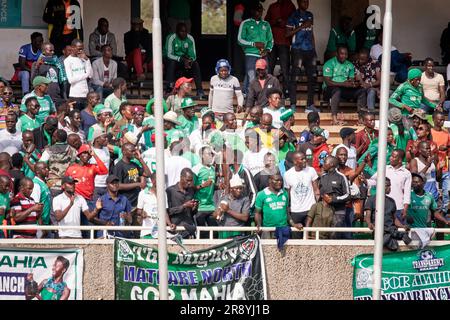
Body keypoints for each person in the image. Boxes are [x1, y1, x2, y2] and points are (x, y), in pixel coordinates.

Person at [286, 0, 318, 112]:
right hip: (297, 49)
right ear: (298, 2)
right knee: (294, 77)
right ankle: (293, 104)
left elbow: (311, 32)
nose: (306, 3)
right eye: (304, 1)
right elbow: (287, 33)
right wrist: (302, 26)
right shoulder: (293, 16)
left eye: (307, 1)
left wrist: (314, 49)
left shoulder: (310, 15)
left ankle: (310, 105)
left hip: (309, 50)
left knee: (312, 77)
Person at [364, 178, 412, 251]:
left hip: (390, 229)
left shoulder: (392, 201)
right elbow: (367, 216)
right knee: (388, 239)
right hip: (379, 230)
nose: (390, 188)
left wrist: (403, 226)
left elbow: (394, 219)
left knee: (389, 236)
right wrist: (369, 223)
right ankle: (399, 236)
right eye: (388, 185)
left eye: (390, 185)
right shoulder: (371, 199)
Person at [323, 46, 367, 126]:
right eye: (342, 54)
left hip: (344, 89)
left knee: (361, 91)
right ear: (337, 54)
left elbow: (351, 80)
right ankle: (334, 119)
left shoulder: (349, 65)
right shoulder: (329, 63)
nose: (344, 56)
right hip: (329, 90)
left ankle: (361, 119)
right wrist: (343, 84)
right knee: (337, 90)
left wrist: (354, 84)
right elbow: (328, 82)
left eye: (346, 54)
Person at [238, 2, 273, 94]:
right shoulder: (245, 23)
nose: (260, 12)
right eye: (258, 11)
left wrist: (267, 50)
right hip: (250, 54)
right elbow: (240, 40)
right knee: (251, 76)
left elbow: (271, 40)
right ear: (252, 11)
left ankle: (246, 93)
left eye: (261, 10)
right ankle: (253, 96)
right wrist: (253, 44)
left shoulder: (266, 24)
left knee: (263, 76)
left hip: (263, 55)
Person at [164, 23, 205, 99]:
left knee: (195, 64)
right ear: (177, 32)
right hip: (174, 60)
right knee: (171, 63)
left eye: (185, 31)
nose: (184, 33)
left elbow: (193, 55)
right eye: (181, 31)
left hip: (185, 60)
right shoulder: (172, 37)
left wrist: (189, 61)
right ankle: (168, 89)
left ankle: (200, 90)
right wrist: (182, 59)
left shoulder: (190, 38)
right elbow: (169, 54)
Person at [369, 149, 411, 223]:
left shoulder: (406, 173)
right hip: (384, 207)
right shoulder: (384, 168)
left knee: (399, 232)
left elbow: (407, 193)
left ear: (400, 160)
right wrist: (364, 181)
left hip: (399, 208)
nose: (390, 158)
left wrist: (405, 209)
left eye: (393, 157)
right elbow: (374, 181)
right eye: (391, 156)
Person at [284, 151, 319, 237]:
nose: (305, 161)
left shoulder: (311, 170)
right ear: (295, 162)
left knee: (311, 235)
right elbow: (287, 194)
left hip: (310, 209)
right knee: (296, 236)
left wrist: (317, 206)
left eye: (305, 158)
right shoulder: (287, 174)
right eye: (302, 159)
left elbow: (316, 190)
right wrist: (288, 208)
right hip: (296, 211)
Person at [255, 173, 301, 239]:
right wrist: (259, 225)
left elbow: (286, 211)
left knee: (284, 249)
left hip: (283, 229)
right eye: (277, 180)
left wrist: (293, 224)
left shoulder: (285, 193)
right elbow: (257, 213)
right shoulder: (261, 194)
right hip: (268, 230)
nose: (279, 182)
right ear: (270, 181)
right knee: (268, 249)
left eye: (281, 180)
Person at [265, 0, 295, 92]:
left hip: (284, 42)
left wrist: (284, 22)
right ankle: (267, 91)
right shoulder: (272, 6)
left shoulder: (290, 6)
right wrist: (275, 21)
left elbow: (294, 22)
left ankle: (286, 92)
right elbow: (266, 22)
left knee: (285, 69)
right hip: (272, 41)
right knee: (269, 68)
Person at [318, 156, 351, 238]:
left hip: (338, 212)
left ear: (331, 164)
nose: (323, 164)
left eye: (325, 162)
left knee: (335, 235)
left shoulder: (341, 176)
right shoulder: (323, 177)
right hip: (325, 211)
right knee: (324, 236)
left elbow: (348, 195)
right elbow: (319, 193)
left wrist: (333, 199)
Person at [39, 129, 77, 197]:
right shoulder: (73, 150)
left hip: (53, 184)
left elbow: (40, 165)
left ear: (55, 138)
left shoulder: (49, 150)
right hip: (68, 184)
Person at [136, 173, 175, 239]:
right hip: (147, 232)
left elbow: (164, 211)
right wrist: (142, 213)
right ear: (153, 181)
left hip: (160, 233)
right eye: (161, 180)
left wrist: (170, 224)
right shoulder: (143, 193)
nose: (163, 182)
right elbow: (138, 210)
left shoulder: (164, 193)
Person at [113, 143, 151, 207]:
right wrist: (138, 184)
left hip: (136, 200)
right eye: (132, 151)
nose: (134, 153)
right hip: (126, 201)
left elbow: (148, 174)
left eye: (134, 151)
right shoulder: (119, 166)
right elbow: (118, 186)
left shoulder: (134, 164)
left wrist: (140, 159)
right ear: (124, 152)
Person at [214, 174, 251, 239]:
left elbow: (245, 217)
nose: (239, 190)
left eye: (241, 188)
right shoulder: (224, 198)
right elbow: (215, 215)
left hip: (238, 231)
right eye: (236, 188)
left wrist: (228, 210)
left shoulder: (245, 199)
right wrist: (218, 213)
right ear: (231, 189)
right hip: (224, 229)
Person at [166, 168, 198, 239]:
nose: (189, 183)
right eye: (187, 180)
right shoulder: (170, 191)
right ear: (181, 177)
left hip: (189, 229)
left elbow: (192, 213)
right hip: (176, 229)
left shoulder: (191, 191)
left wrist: (194, 207)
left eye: (191, 180)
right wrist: (184, 206)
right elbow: (167, 211)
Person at [192, 146, 217, 235]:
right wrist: (203, 185)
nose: (211, 156)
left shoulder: (213, 169)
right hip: (200, 207)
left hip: (211, 206)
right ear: (202, 155)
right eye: (208, 154)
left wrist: (218, 186)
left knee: (215, 234)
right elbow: (191, 187)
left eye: (212, 154)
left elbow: (212, 185)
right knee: (202, 235)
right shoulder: (196, 169)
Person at [431, 111, 450, 216]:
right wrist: (438, 148)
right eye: (439, 119)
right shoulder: (429, 132)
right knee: (434, 194)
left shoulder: (446, 133)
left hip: (444, 168)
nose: (442, 121)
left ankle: (444, 214)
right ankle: (435, 215)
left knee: (447, 192)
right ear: (434, 119)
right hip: (432, 167)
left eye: (443, 119)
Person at [64, 39, 92, 111]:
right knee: (75, 117)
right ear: (72, 48)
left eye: (82, 49)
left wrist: (87, 60)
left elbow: (90, 75)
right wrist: (85, 75)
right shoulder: (67, 61)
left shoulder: (83, 58)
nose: (81, 51)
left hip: (85, 94)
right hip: (75, 95)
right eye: (79, 49)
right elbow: (71, 80)